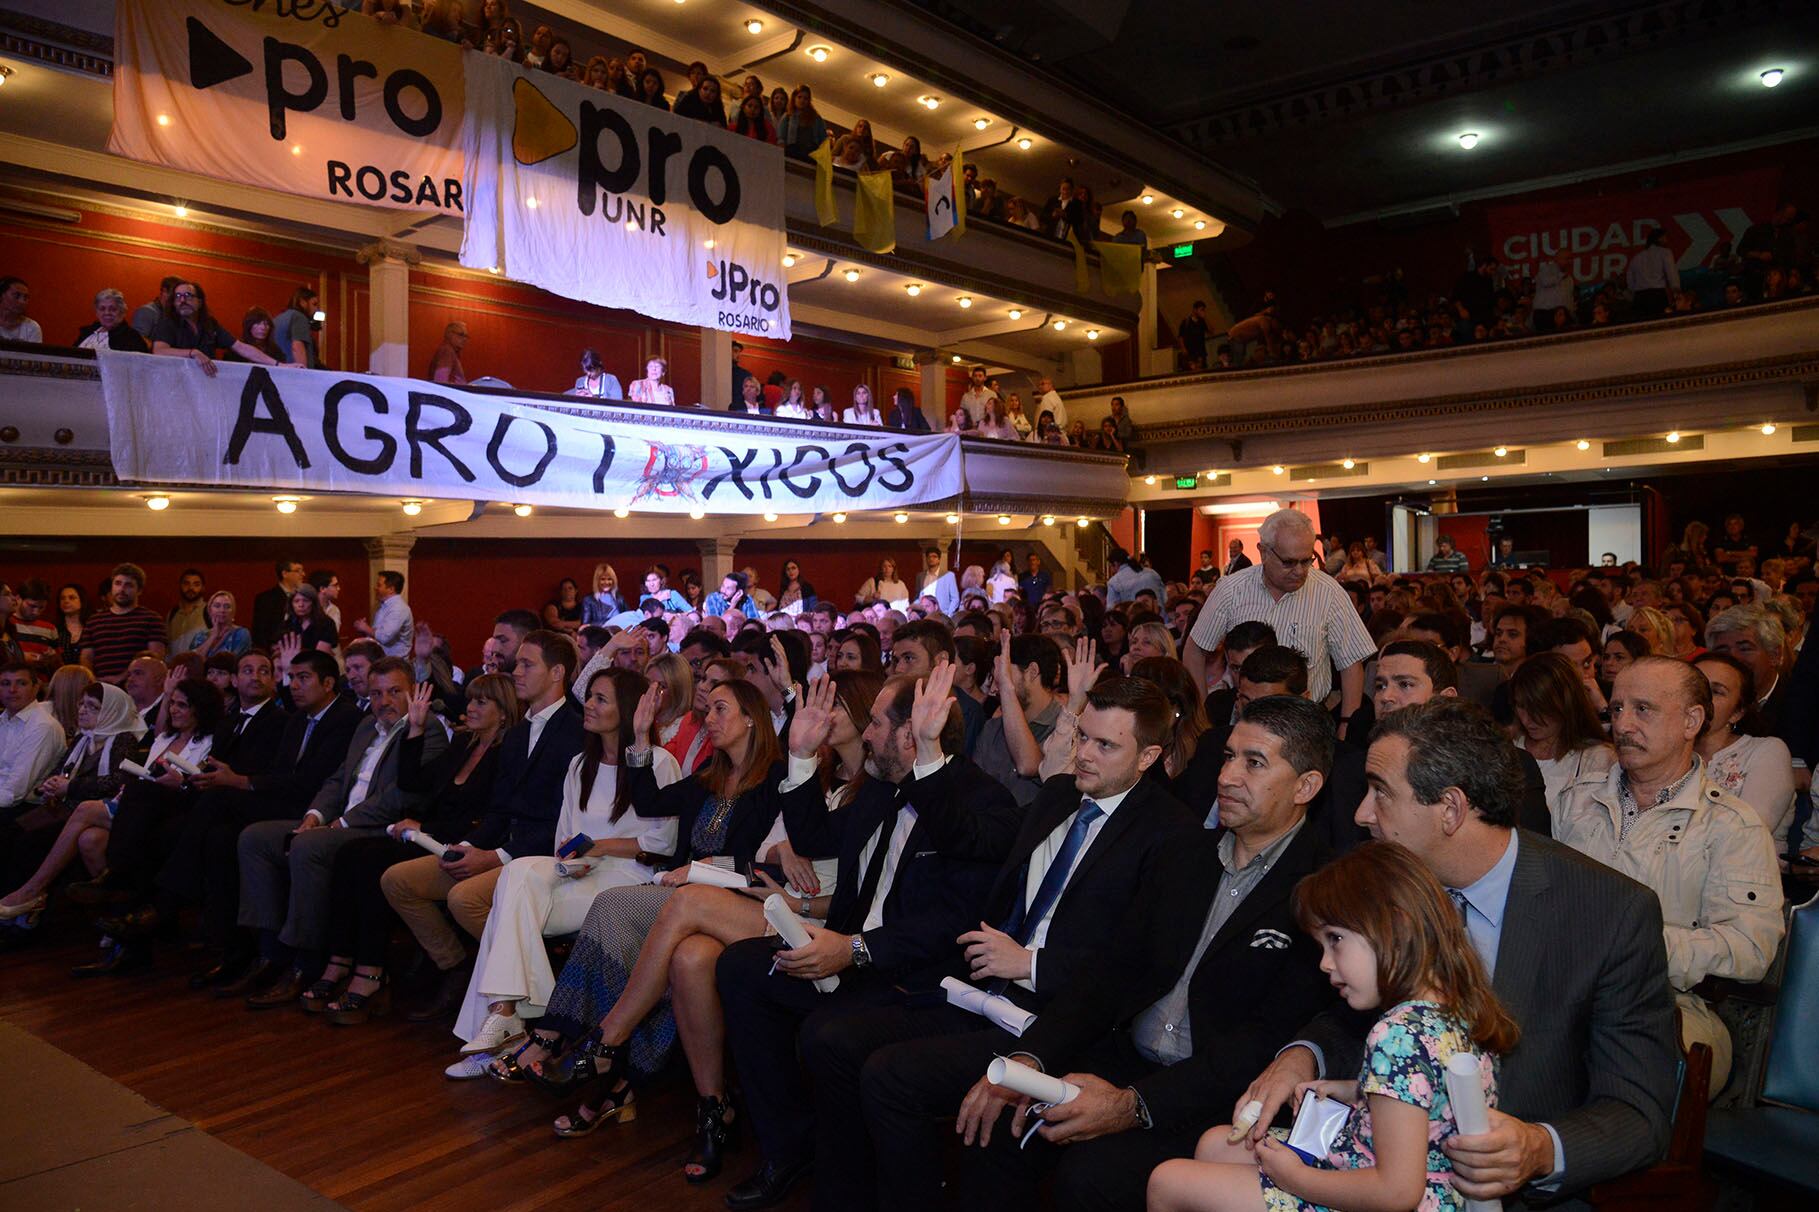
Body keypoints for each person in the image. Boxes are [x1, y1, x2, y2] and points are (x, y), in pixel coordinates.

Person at [1243, 698, 1679, 1209]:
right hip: (1375, 1163)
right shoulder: (1381, 880)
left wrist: (1538, 1149)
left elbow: (1638, 1113)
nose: (1361, 814)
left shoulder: (1608, 913)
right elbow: (1352, 1012)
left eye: (1381, 793)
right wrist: (1302, 1056)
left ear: (1449, 809)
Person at [715, 664, 1023, 1209]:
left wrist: (853, 950)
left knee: (828, 1035)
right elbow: (816, 838)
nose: (867, 733)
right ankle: (789, 1146)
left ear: (912, 733)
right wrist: (802, 755)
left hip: (912, 980)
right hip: (853, 956)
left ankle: (844, 1193)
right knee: (740, 969)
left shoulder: (982, 801)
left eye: (878, 723)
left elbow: (951, 926)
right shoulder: (882, 788)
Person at [1149, 839, 1518, 1212]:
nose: (1324, 963)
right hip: (1434, 1189)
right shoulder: (1451, 1007)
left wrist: (1293, 1177)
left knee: (1168, 1182)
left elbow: (1394, 1192)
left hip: (1395, 1194)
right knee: (1215, 1144)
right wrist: (1358, 1091)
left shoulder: (1398, 1032)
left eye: (1336, 940)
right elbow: (1426, 1101)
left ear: (1397, 926)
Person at [1552, 656, 1782, 1090]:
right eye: (1617, 708)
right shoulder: (1578, 802)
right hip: (1564, 993)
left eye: (1643, 709)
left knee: (1599, 1057)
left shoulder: (1730, 825)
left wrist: (1638, 947)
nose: (1622, 724)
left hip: (1670, 1004)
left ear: (1691, 720)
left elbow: (1751, 948)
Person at [381, 631, 587, 1019]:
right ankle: (456, 967)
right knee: (399, 880)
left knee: (465, 898)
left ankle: (531, 992)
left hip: (544, 856)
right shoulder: (519, 734)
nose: (516, 671)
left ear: (557, 672)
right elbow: (498, 811)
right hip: (503, 848)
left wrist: (496, 856)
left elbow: (566, 820)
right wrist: (469, 847)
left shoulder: (576, 732)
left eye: (528, 664)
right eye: (518, 663)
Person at [231, 658, 447, 1006]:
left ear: (412, 693)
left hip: (376, 830)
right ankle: (269, 951)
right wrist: (315, 815)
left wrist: (342, 823)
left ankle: (305, 960)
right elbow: (338, 779)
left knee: (307, 847)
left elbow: (401, 796)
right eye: (376, 693)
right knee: (255, 838)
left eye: (394, 692)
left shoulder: (426, 729)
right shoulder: (365, 726)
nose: (384, 701)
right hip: (337, 822)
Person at [1187, 509, 1376, 738]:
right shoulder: (1231, 590)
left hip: (1307, 724)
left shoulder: (1329, 592)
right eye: (1288, 562)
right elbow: (1194, 650)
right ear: (1263, 552)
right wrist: (1200, 716)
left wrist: (1346, 724)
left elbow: (1351, 665)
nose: (1299, 571)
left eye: (1307, 561)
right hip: (1244, 723)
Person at [1695, 652, 1796, 850]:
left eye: (1717, 691)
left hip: (1741, 874)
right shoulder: (1664, 751)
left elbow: (1748, 833)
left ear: (1737, 713)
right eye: (1695, 688)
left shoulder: (1767, 752)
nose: (1702, 698)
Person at [1509, 653, 1617, 807]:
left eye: (1540, 708)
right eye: (1521, 706)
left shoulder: (1598, 759)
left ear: (1566, 704)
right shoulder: (1507, 746)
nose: (1528, 719)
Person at [150, 282, 275, 375]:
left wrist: (278, 364)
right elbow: (159, 350)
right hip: (175, 385)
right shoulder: (167, 322)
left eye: (188, 295)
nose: (182, 300)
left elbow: (240, 347)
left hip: (205, 386)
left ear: (200, 302)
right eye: (178, 296)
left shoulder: (209, 324)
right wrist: (192, 353)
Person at [79, 563, 167, 682]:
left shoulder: (151, 619)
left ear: (139, 590)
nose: (121, 589)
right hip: (100, 688)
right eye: (118, 583)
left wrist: (121, 677)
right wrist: (92, 680)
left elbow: (154, 659)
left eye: (128, 585)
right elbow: (86, 658)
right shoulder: (94, 621)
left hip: (137, 687)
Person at [0, 662, 65, 815]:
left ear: (36, 688)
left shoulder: (43, 726)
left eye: (21, 683)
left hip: (24, 811)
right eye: (5, 683)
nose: (12, 690)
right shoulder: (3, 721)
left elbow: (14, 793)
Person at [354, 570, 413, 658]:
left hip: (395, 663)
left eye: (379, 585)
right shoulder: (385, 606)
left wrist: (365, 628)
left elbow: (384, 637)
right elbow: (378, 633)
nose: (375, 588)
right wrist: (365, 630)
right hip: (384, 660)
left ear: (391, 589)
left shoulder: (399, 608)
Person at [75, 288, 150, 353]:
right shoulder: (87, 332)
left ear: (122, 312)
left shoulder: (132, 338)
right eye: (102, 309)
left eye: (113, 309)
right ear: (97, 312)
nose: (107, 313)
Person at [180, 590, 250, 658]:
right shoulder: (200, 636)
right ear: (210, 610)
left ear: (233, 611)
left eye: (227, 606)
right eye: (217, 606)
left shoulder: (241, 634)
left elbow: (231, 663)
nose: (222, 610)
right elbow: (193, 661)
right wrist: (213, 636)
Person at [272, 285, 321, 368]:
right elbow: (298, 345)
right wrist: (303, 373)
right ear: (302, 302)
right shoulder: (300, 317)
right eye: (314, 304)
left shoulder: (278, 318)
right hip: (294, 371)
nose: (317, 309)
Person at [284, 583, 338, 654]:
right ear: (291, 604)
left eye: (305, 600)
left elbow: (321, 655)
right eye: (296, 601)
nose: (301, 605)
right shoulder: (288, 623)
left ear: (314, 603)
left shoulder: (326, 623)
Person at [0, 276, 42, 344]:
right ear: (1, 295)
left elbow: (33, 354)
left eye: (25, 298)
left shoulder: (32, 327)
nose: (22, 301)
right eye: (16, 296)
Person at [1178, 301, 1210, 370]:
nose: (1202, 312)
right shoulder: (1186, 321)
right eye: (1201, 310)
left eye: (1203, 310)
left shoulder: (1202, 321)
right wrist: (1183, 348)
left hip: (1201, 351)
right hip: (1190, 352)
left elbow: (1211, 331)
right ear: (1195, 310)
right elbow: (1180, 336)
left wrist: (1205, 318)